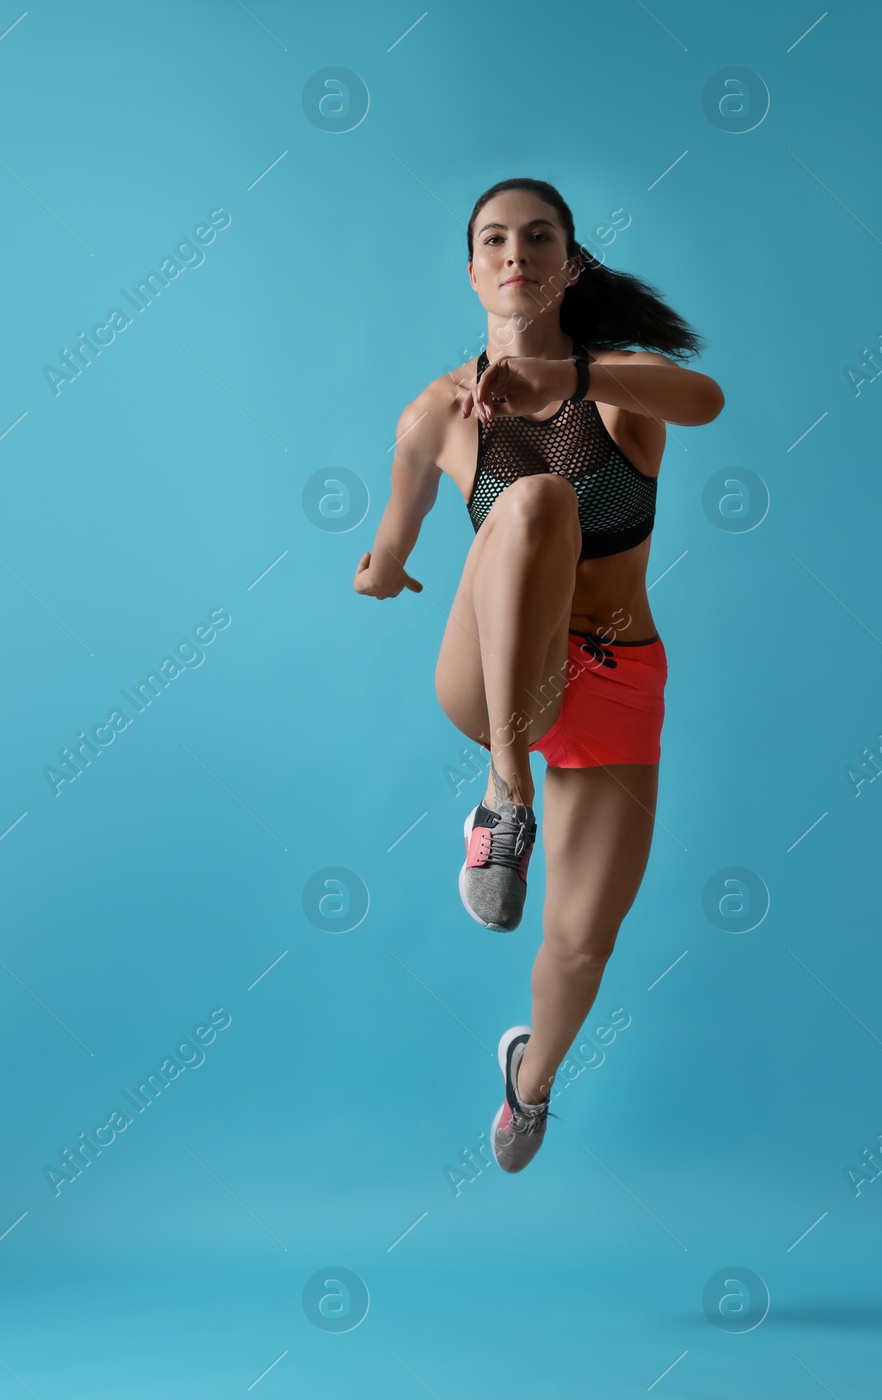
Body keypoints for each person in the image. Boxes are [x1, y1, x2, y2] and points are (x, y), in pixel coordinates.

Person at [353, 177, 724, 1172]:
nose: (515, 251)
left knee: (577, 945)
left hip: (614, 684)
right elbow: (389, 548)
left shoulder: (621, 387)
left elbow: (705, 398)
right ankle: (501, 795)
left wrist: (572, 381)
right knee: (535, 504)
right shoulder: (434, 412)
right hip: (496, 681)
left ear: (566, 262)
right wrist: (379, 573)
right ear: (473, 269)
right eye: (493, 238)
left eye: (538, 236)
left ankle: (532, 1078)